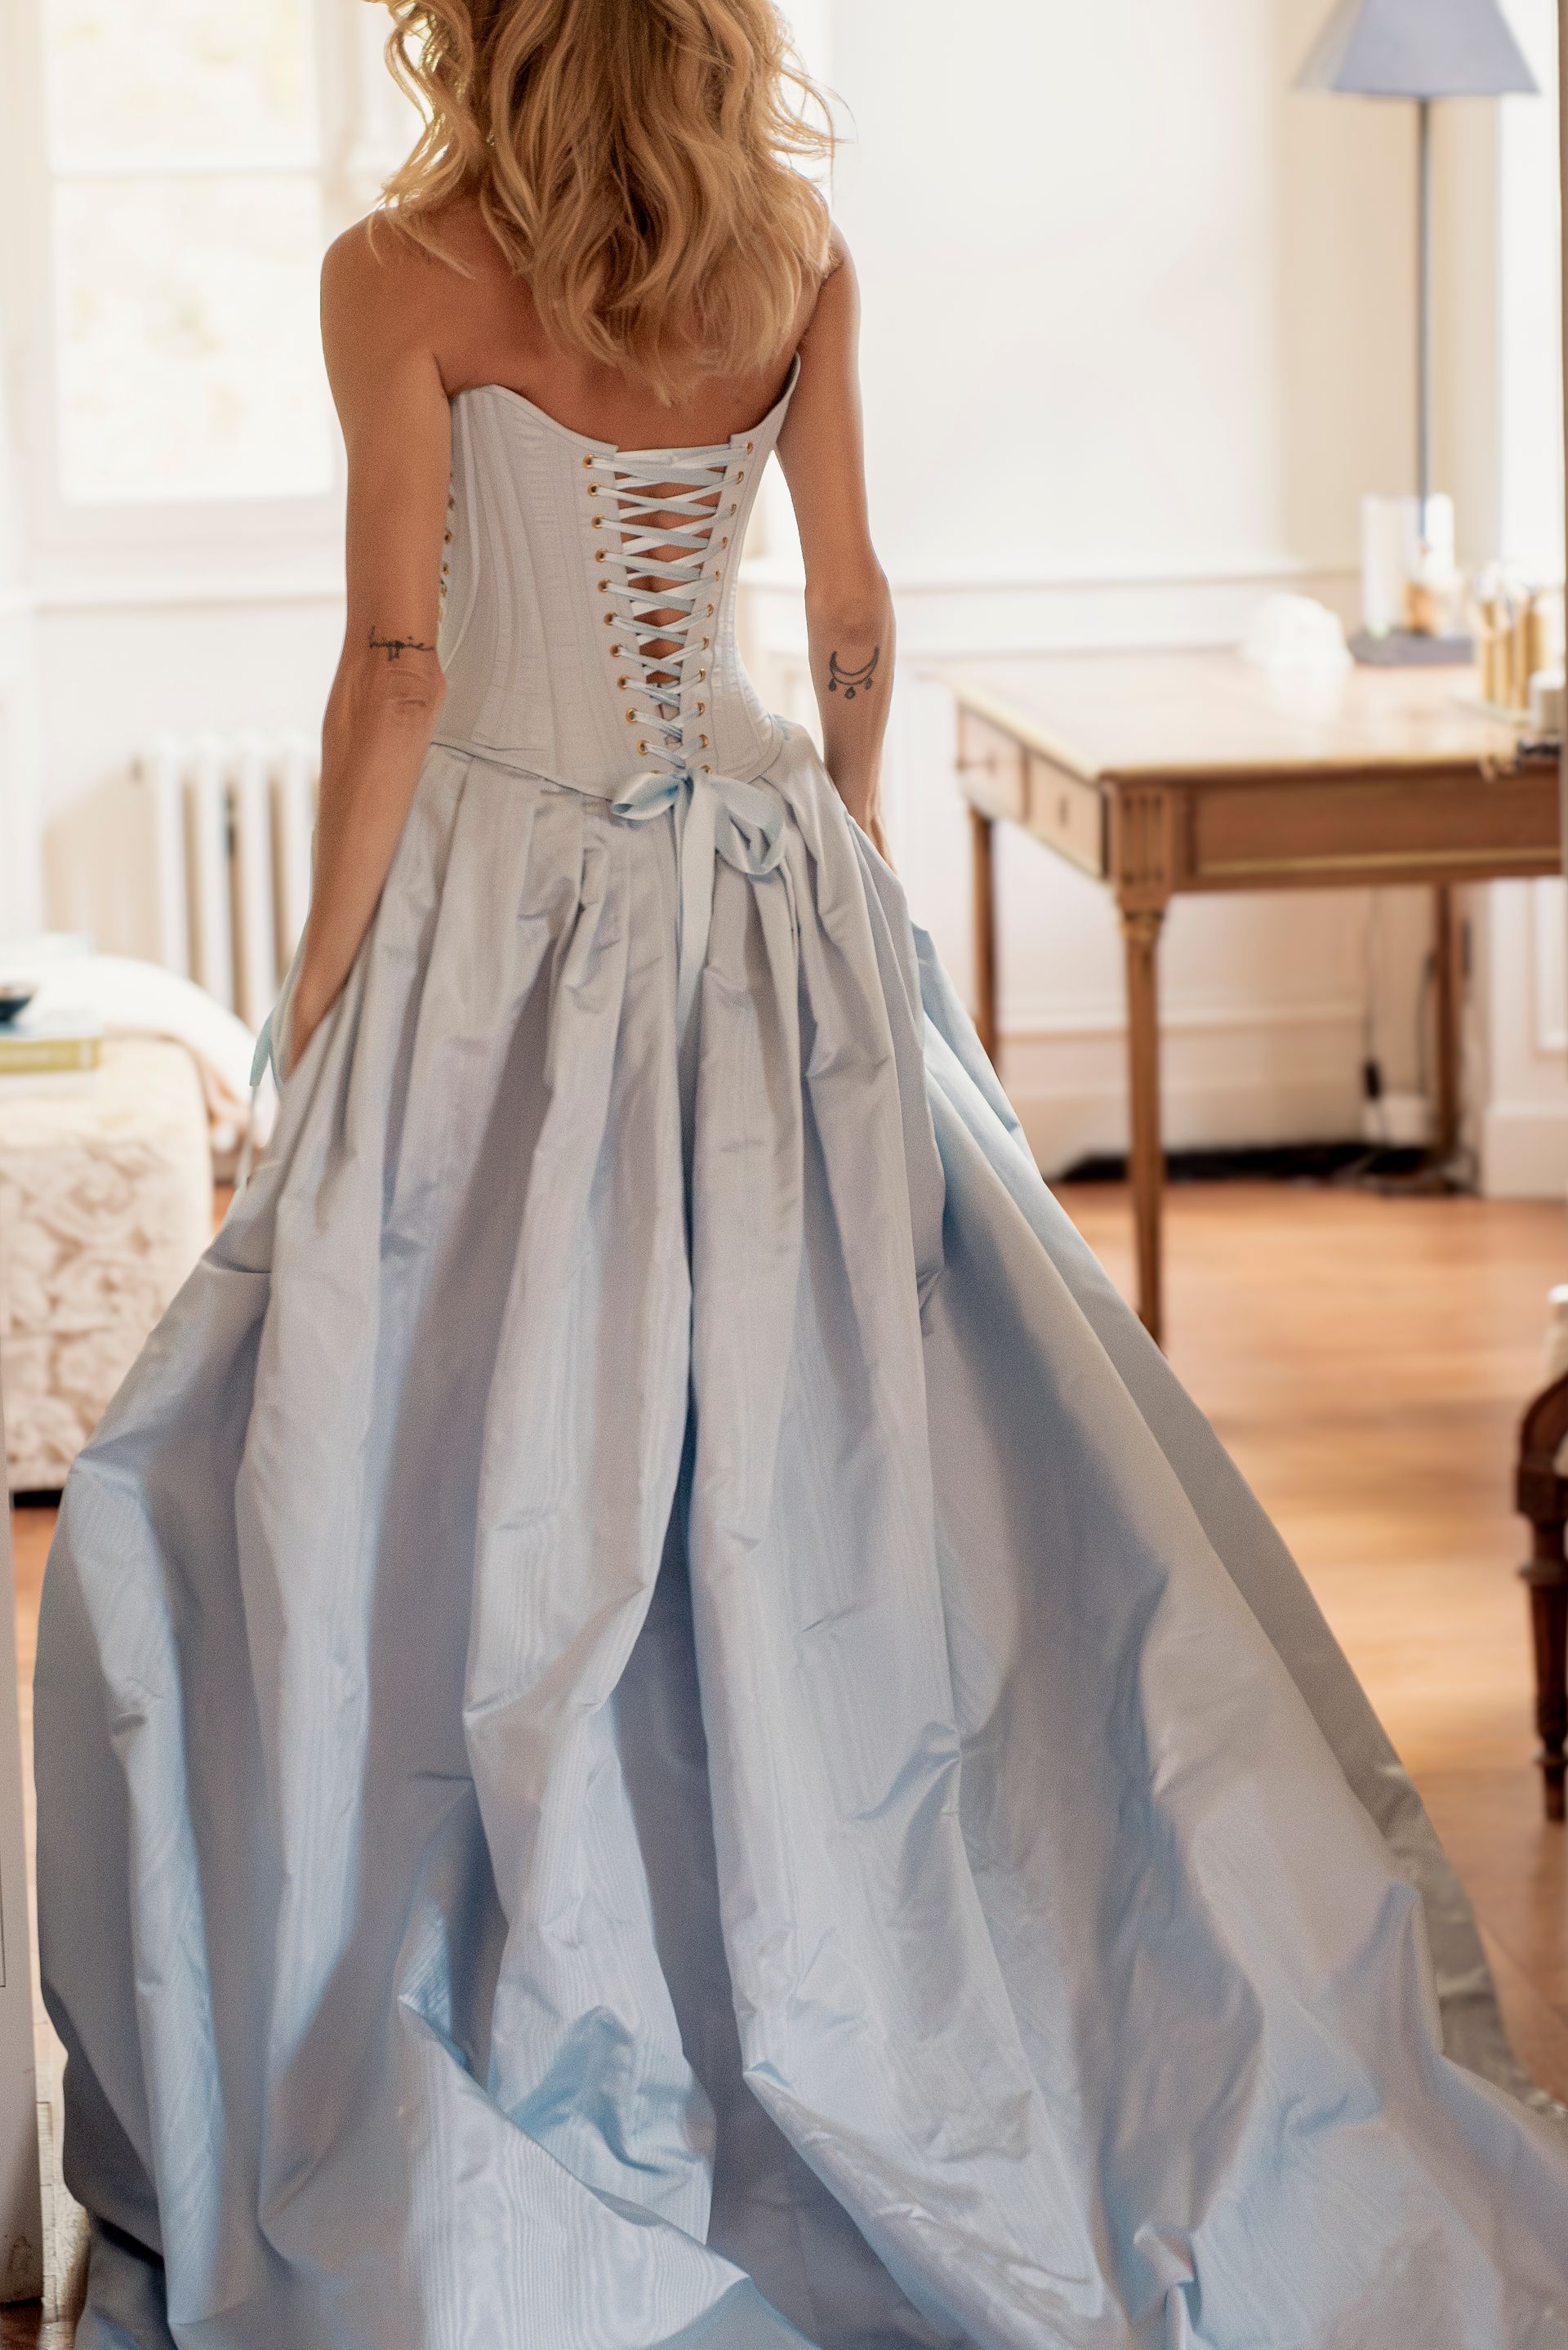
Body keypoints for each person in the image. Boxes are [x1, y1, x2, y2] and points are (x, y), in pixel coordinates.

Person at [33, 2, 1568, 2343]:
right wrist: (843, 861)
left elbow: (397, 671)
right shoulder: (792, 248)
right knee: (819, 1449)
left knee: (458, 1442)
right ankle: (848, 1914)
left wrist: (318, 1000)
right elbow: (847, 611)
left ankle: (486, 1943)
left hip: (507, 907)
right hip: (767, 882)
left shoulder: (398, 273)